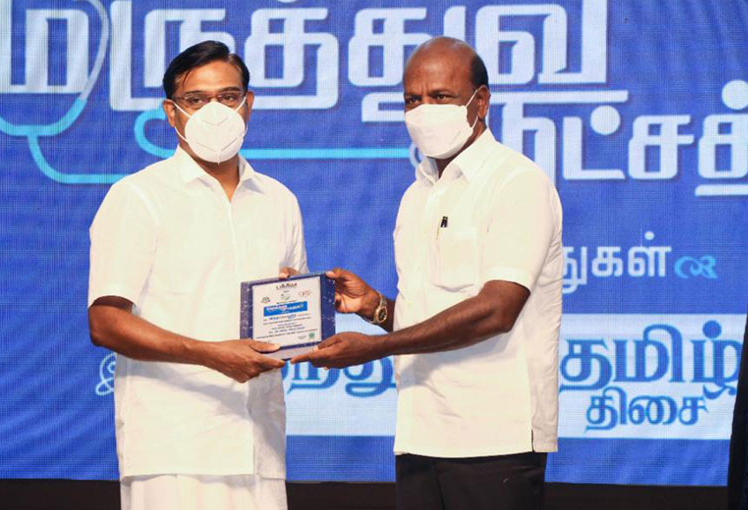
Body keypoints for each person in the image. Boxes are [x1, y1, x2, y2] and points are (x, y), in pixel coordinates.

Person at [293, 36, 563, 510]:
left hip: (494, 439)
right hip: (421, 431)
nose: (423, 111)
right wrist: (375, 308)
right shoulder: (418, 194)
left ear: (480, 102)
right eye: (412, 100)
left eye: (440, 97)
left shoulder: (517, 183)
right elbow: (428, 315)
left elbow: (496, 311)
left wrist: (376, 348)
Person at [88, 40, 307, 510]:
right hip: (174, 448)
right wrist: (211, 355)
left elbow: (293, 324)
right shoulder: (140, 197)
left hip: (260, 445)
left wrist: (310, 306)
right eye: (196, 100)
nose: (215, 111)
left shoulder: (279, 200)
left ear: (249, 105)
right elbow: (105, 322)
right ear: (172, 113)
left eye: (228, 97)